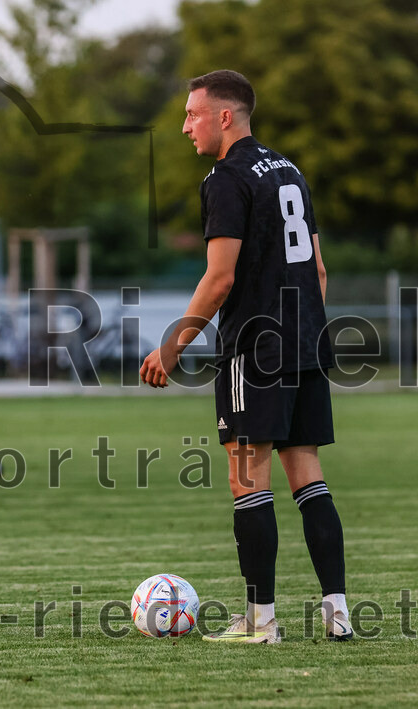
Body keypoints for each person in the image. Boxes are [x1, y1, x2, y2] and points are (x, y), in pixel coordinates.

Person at [140, 70, 351, 643]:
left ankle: (260, 623)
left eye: (191, 114)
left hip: (254, 351)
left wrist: (171, 346)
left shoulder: (227, 178)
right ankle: (338, 614)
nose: (186, 126)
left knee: (246, 480)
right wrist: (302, 327)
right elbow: (319, 270)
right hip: (306, 342)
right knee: (307, 475)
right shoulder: (290, 170)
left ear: (224, 116)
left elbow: (220, 277)